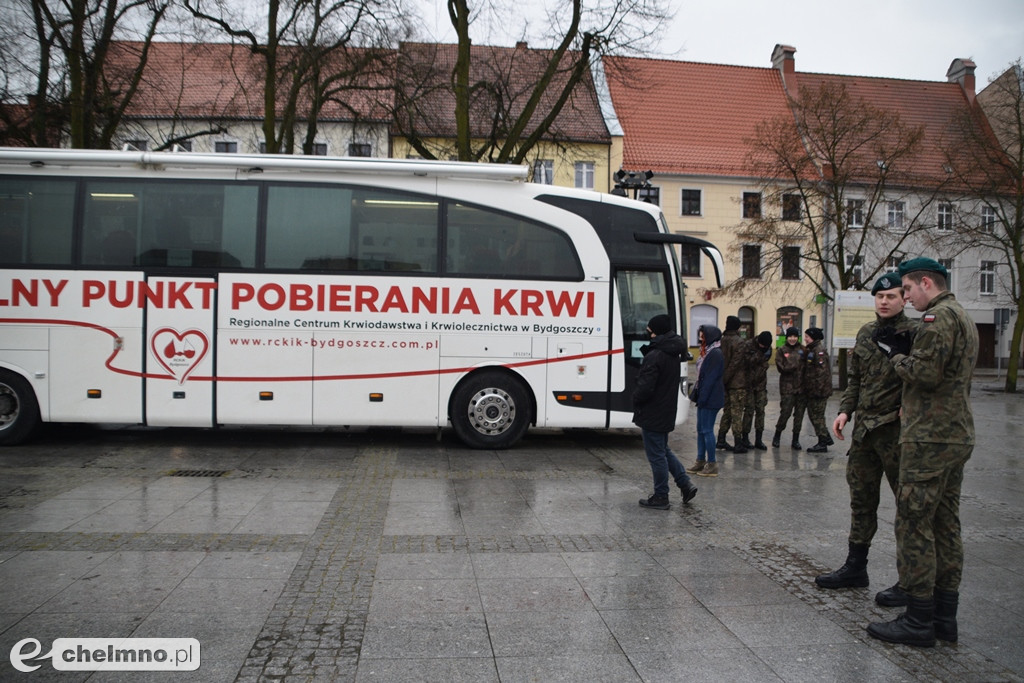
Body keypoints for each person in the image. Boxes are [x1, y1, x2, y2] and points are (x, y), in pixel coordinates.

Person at [867, 258, 978, 648]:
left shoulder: (936, 319)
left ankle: (917, 620)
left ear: (925, 283)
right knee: (946, 525)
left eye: (908, 290)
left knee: (914, 523)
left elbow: (925, 375)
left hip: (929, 437)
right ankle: (944, 618)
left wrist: (896, 357)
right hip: (955, 434)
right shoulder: (961, 315)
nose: (907, 297)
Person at [816, 273, 917, 593]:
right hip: (864, 433)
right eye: (880, 297)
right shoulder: (866, 333)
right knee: (861, 501)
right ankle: (855, 568)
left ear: (904, 298)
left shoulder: (915, 333)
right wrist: (845, 411)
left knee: (908, 507)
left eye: (891, 296)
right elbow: (856, 380)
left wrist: (910, 404)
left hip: (896, 432)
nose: (884, 302)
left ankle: (911, 580)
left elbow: (924, 376)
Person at [632, 314, 698, 509]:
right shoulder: (672, 352)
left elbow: (646, 387)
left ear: (656, 332)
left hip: (653, 411)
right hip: (665, 409)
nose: (648, 333)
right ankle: (685, 484)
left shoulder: (655, 355)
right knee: (663, 451)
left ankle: (661, 496)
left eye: (650, 330)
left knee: (657, 456)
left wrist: (636, 397)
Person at [687, 325, 725, 477]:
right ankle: (700, 460)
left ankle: (712, 463)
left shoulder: (715, 353)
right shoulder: (707, 352)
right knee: (701, 430)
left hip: (711, 397)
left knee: (707, 430)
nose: (701, 339)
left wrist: (703, 397)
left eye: (703, 336)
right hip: (704, 396)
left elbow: (710, 378)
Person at [716, 315, 748, 454]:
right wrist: (727, 378)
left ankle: (721, 438)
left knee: (727, 412)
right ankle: (738, 442)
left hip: (725, 383)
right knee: (736, 413)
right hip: (737, 383)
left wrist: (722, 380)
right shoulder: (740, 342)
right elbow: (735, 363)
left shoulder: (722, 340)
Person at [801, 327, 834, 453]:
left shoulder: (818, 351)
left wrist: (817, 391)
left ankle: (822, 443)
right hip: (813, 390)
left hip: (818, 392)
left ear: (813, 338)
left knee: (817, 417)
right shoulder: (812, 349)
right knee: (814, 415)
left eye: (807, 337)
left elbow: (821, 373)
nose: (805, 339)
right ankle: (826, 438)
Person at [741, 331, 774, 451]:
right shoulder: (748, 345)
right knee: (749, 410)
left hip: (761, 384)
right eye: (762, 345)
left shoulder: (767, 348)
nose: (763, 347)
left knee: (760, 411)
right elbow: (747, 362)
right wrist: (760, 354)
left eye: (765, 346)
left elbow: (764, 362)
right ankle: (745, 437)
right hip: (749, 384)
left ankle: (759, 439)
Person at [772, 327, 804, 449]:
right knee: (785, 412)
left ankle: (795, 439)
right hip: (787, 387)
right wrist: (794, 366)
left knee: (799, 415)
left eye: (795, 336)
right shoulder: (782, 350)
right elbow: (781, 367)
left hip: (801, 387)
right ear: (787, 337)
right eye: (790, 336)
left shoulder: (802, 349)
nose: (792, 339)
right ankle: (777, 435)